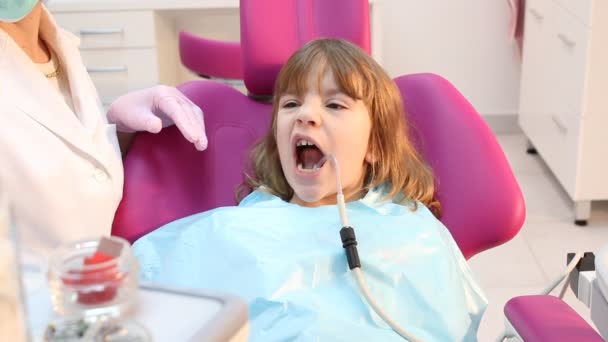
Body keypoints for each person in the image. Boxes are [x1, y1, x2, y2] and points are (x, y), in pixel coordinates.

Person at [133, 39, 487, 341]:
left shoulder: (413, 234)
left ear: (374, 145)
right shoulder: (232, 230)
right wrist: (117, 133)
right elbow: (129, 290)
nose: (306, 115)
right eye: (290, 104)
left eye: (334, 104)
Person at [0, 1, 207, 255]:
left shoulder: (56, 45)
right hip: (35, 290)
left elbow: (65, 167)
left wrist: (120, 134)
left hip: (95, 279)